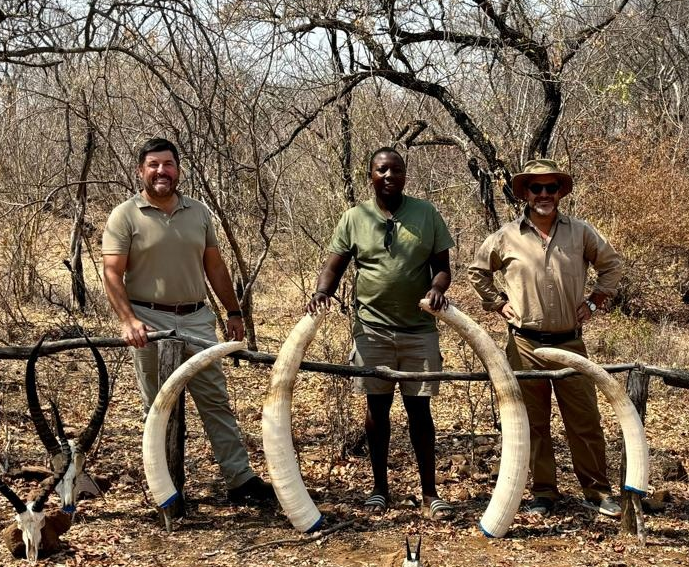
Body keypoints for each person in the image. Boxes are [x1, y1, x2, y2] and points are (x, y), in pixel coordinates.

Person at [102, 137, 274, 509]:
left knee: (215, 401)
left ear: (178, 170)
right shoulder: (125, 215)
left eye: (168, 164)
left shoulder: (198, 212)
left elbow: (214, 265)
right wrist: (128, 320)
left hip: (196, 319)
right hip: (148, 320)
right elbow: (111, 273)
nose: (161, 171)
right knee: (158, 407)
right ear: (140, 170)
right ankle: (167, 489)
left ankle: (240, 479)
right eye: (153, 165)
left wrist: (232, 311)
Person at [468, 157, 628, 517]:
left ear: (559, 192)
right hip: (524, 344)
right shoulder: (506, 236)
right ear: (525, 192)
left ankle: (597, 491)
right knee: (532, 422)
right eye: (536, 187)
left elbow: (612, 265)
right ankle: (543, 493)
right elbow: (477, 271)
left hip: (571, 342)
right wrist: (496, 303)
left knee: (585, 418)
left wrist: (596, 299)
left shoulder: (580, 231)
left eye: (550, 187)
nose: (544, 194)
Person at [307, 146, 456, 518]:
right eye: (382, 170)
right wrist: (321, 293)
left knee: (419, 410)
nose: (389, 176)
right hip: (370, 329)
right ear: (370, 175)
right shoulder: (354, 218)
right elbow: (334, 266)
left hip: (418, 329)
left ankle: (429, 493)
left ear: (405, 175)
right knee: (377, 408)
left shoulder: (426, 214)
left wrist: (438, 288)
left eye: (397, 170)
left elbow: (443, 267)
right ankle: (379, 490)